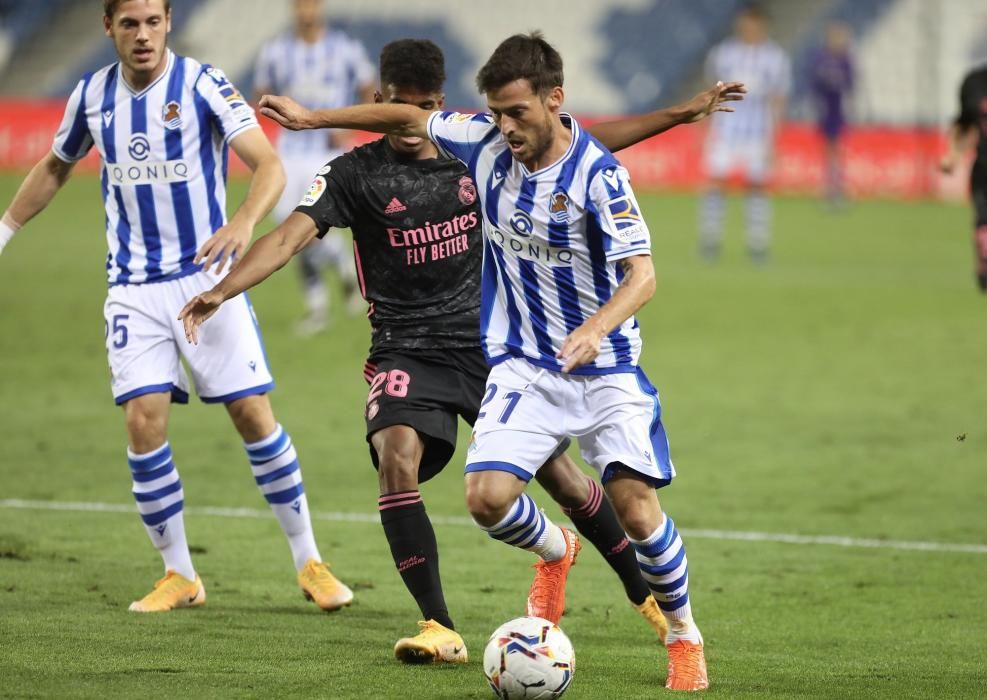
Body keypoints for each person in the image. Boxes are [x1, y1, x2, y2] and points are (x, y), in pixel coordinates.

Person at [181, 38, 739, 675]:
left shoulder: (549, 164)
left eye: (516, 114)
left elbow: (622, 220)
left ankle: (668, 620)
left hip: (546, 352)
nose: (505, 127)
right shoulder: (438, 151)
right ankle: (483, 593)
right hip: (465, 354)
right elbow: (367, 160)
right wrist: (310, 123)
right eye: (496, 115)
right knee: (451, 483)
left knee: (610, 497)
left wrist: (676, 115)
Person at [0, 0, 352, 614]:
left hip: (209, 282)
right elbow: (56, 167)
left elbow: (267, 165)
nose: (143, 35)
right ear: (107, 26)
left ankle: (309, 560)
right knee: (144, 420)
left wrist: (244, 220)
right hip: (133, 289)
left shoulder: (203, 84)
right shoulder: (91, 95)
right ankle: (180, 574)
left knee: (251, 414)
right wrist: (4, 229)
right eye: (129, 23)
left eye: (153, 22)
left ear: (168, 24)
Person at [253, 0, 375, 335]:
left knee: (308, 228)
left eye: (311, 4)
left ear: (319, 6)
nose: (306, 10)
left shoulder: (344, 48)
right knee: (287, 226)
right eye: (300, 5)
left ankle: (317, 304)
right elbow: (262, 95)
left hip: (327, 151)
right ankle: (345, 269)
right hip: (289, 152)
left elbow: (369, 89)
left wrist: (347, 129)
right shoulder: (275, 51)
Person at [701, 4, 791, 262]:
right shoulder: (724, 54)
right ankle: (710, 239)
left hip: (758, 133)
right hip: (724, 129)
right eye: (745, 23)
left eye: (753, 24)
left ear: (762, 26)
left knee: (758, 186)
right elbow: (711, 92)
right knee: (716, 182)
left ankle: (757, 243)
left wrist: (775, 138)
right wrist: (704, 128)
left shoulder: (775, 58)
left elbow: (778, 98)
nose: (748, 28)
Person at [940, 63, 987, 292]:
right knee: (984, 230)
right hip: (985, 170)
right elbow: (966, 125)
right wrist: (954, 155)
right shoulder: (975, 83)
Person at [810, 21, 854, 208]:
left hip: (838, 109)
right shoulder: (822, 60)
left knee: (837, 150)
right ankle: (831, 189)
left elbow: (851, 85)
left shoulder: (846, 60)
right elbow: (816, 86)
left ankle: (837, 188)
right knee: (830, 151)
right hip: (826, 110)